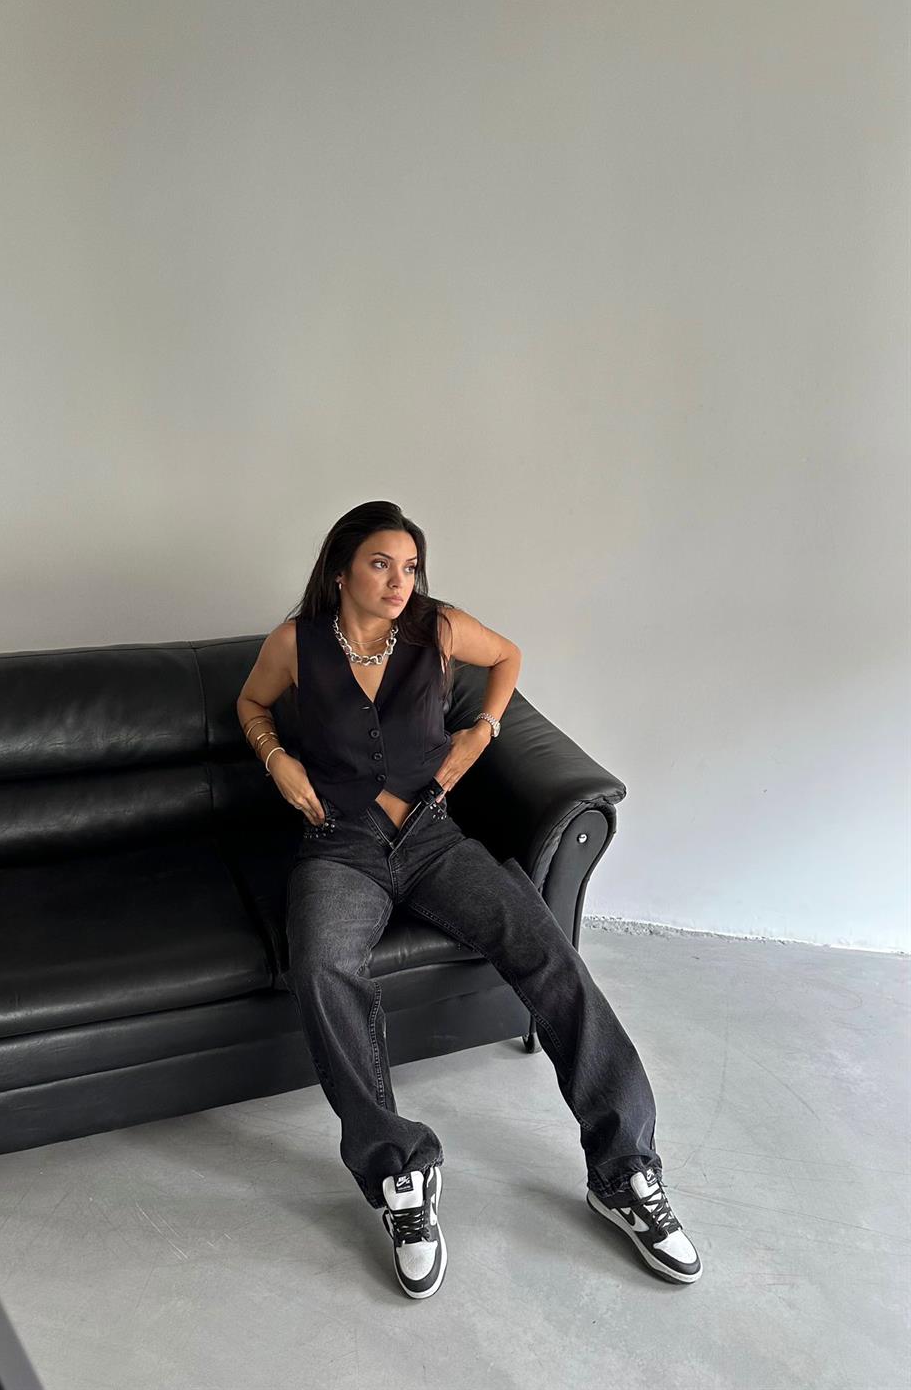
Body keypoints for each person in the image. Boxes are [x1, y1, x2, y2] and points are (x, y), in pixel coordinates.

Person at [237, 500, 702, 1299]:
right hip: (340, 845)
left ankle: (624, 1169)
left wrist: (481, 728)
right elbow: (251, 704)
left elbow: (510, 655)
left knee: (546, 946)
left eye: (410, 566)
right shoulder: (295, 643)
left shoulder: (439, 628)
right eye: (381, 563)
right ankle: (399, 1171)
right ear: (341, 569)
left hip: (433, 838)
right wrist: (276, 757)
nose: (400, 581)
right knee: (319, 966)